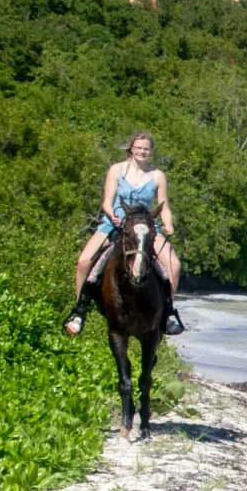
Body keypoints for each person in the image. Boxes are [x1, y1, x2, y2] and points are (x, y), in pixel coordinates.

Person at [66, 131, 184, 337]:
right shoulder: (116, 170)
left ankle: (167, 313)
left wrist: (168, 224)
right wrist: (112, 215)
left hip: (144, 227)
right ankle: (79, 311)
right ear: (132, 148)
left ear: (151, 151)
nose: (142, 152)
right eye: (138, 148)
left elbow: (164, 207)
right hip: (115, 223)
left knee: (174, 265)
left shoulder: (157, 175)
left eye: (146, 148)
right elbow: (106, 202)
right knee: (84, 261)